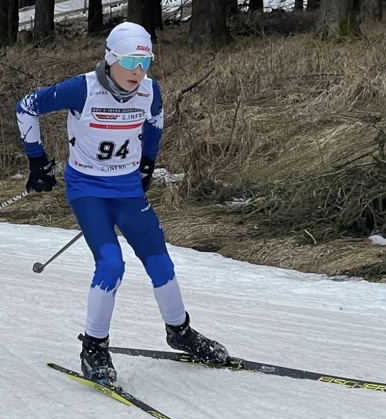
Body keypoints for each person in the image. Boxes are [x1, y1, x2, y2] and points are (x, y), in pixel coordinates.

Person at [16, 21, 229, 385]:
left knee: (160, 261)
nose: (138, 71)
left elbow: (157, 120)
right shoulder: (82, 89)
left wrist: (148, 162)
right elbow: (27, 106)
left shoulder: (149, 90)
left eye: (145, 62)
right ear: (111, 58)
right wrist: (37, 161)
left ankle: (180, 331)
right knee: (112, 264)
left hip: (128, 189)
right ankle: (94, 347)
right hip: (88, 190)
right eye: (130, 61)